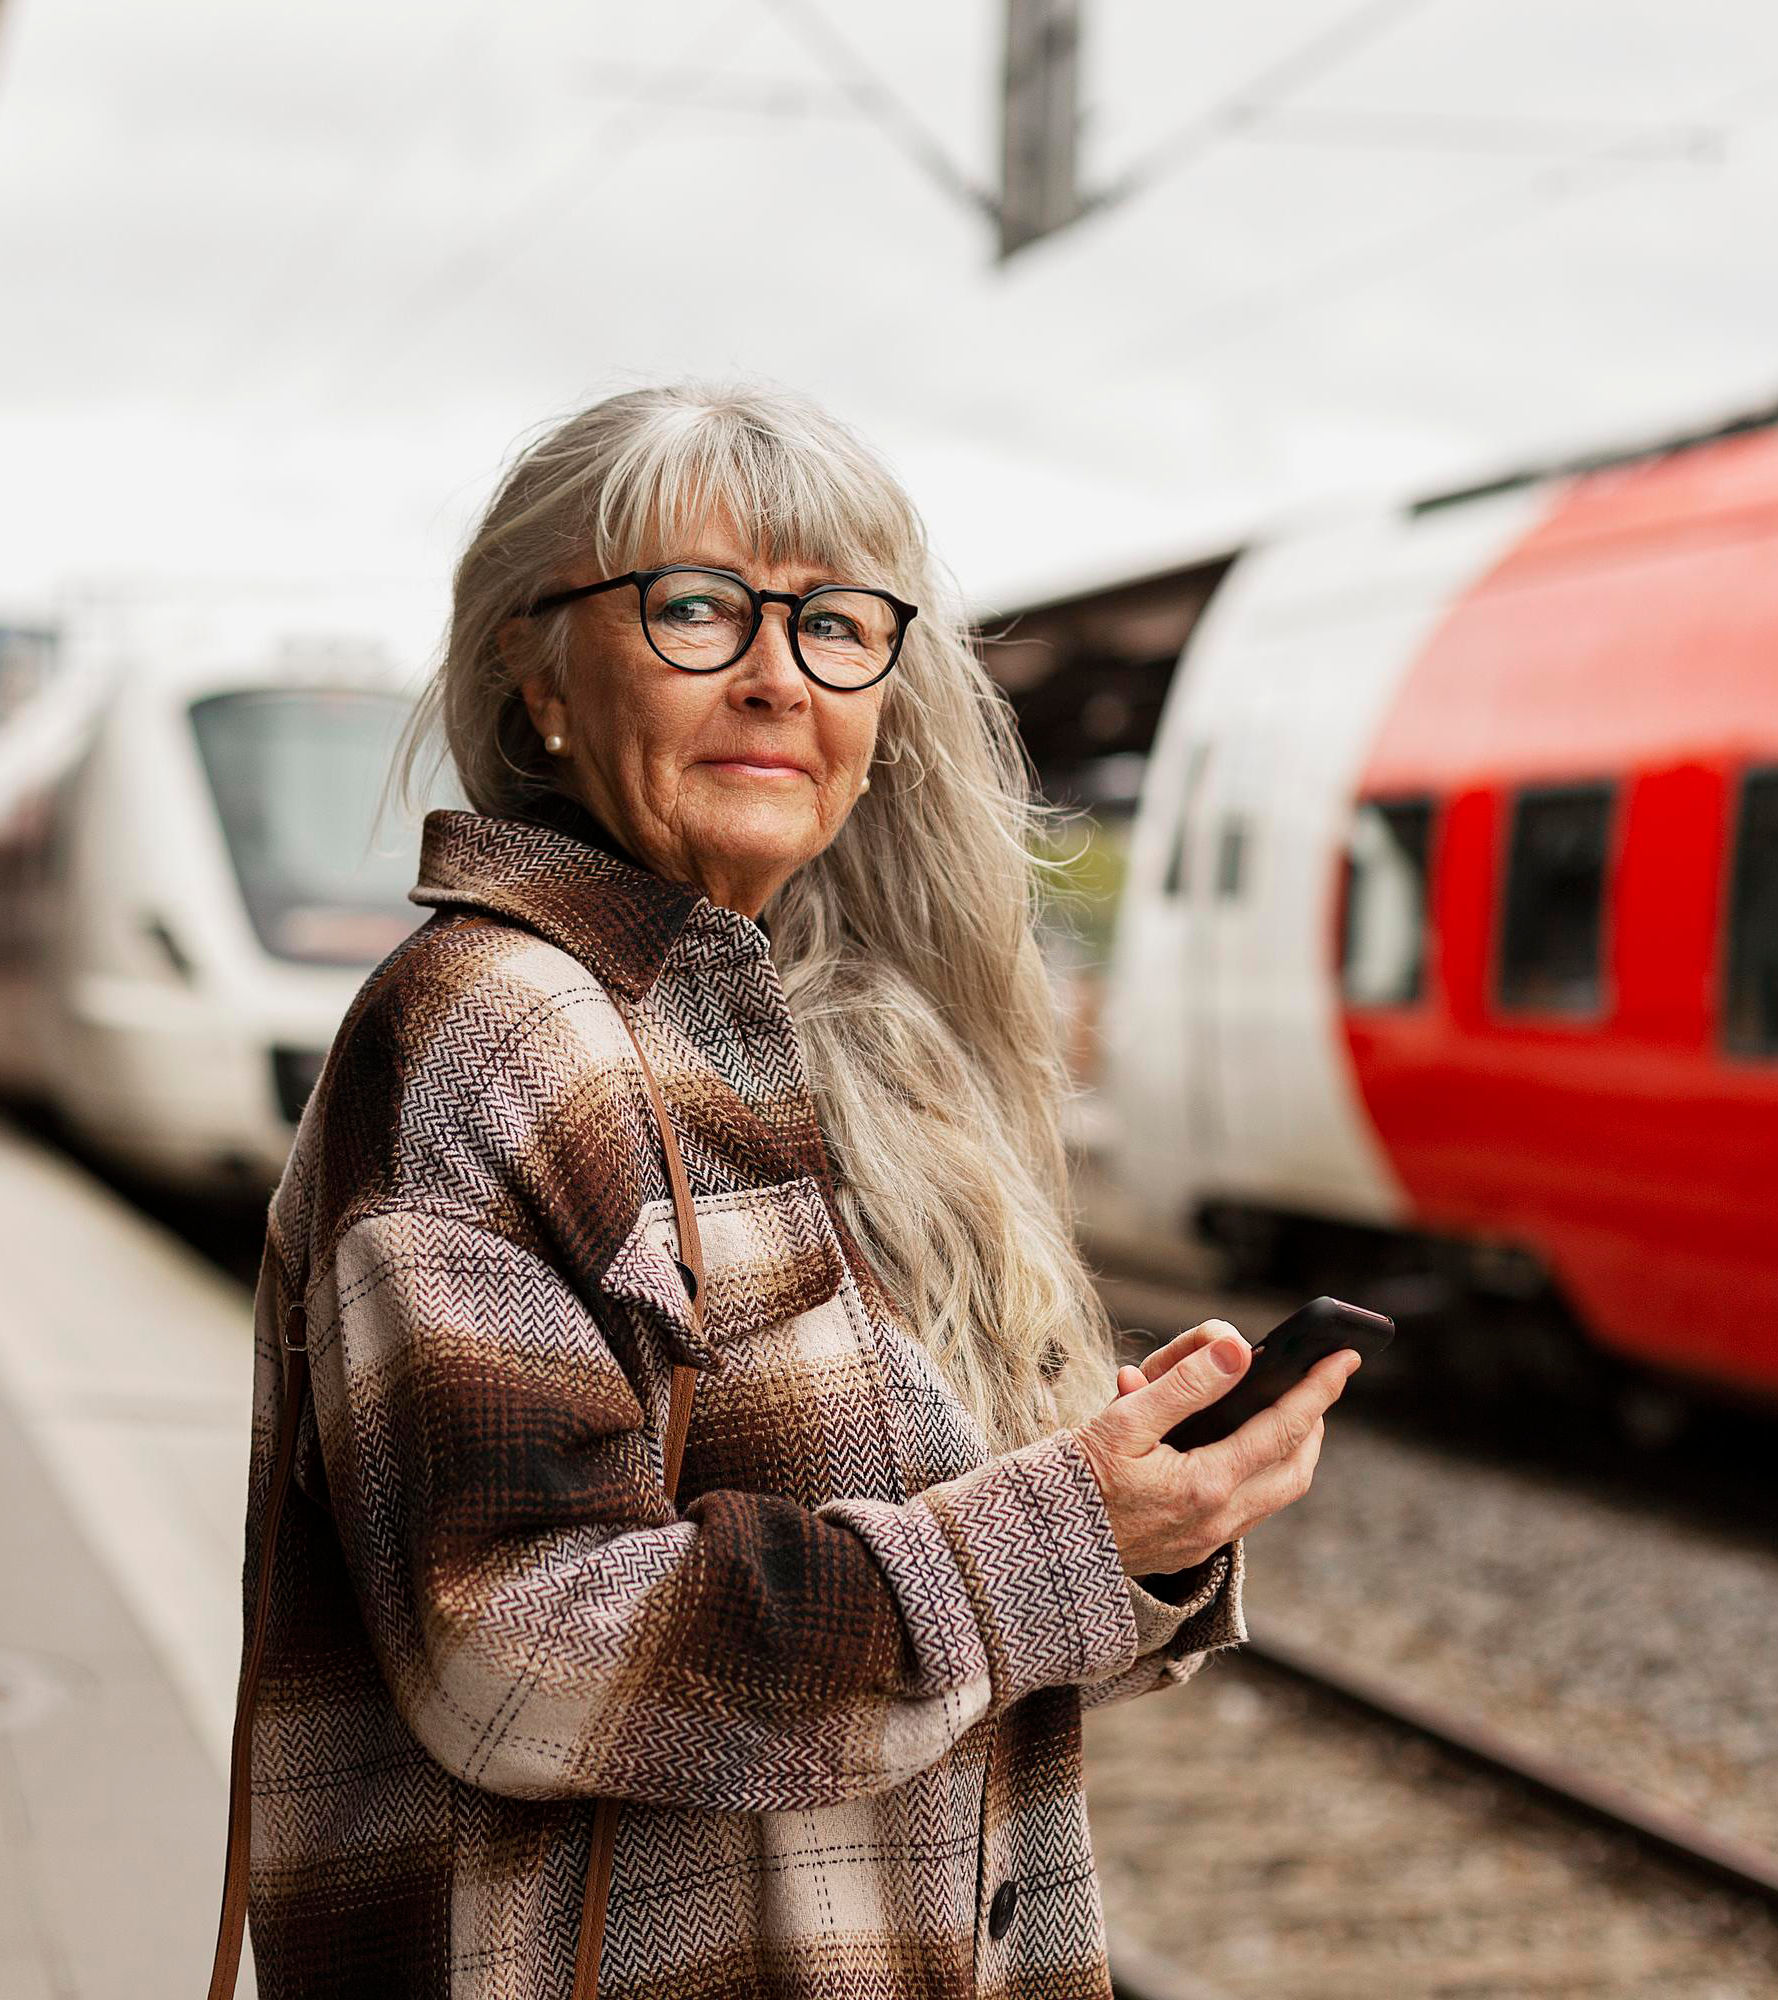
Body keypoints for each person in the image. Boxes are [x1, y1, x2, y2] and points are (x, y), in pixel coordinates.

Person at [236, 378, 1358, 1999]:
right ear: (533, 676)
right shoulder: (492, 1028)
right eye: (696, 608)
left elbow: (944, 1649)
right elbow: (509, 1651)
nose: (777, 676)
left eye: (836, 623)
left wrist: (1135, 1529)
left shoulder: (828, 1052)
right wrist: (1038, 1541)